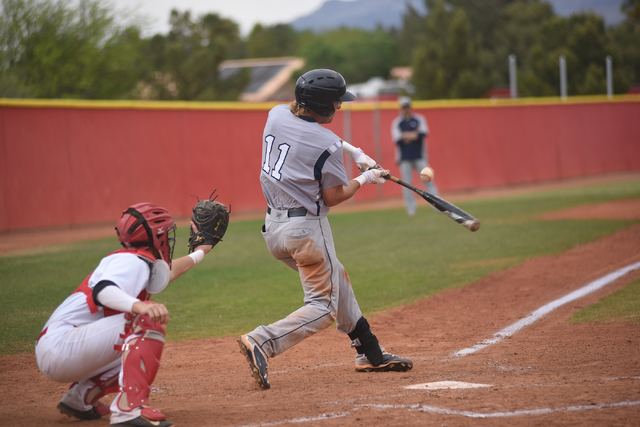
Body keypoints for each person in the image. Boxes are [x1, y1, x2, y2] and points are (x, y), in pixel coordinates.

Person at [237, 68, 413, 390]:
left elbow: (309, 132)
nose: (339, 107)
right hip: (306, 232)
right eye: (336, 102)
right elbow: (334, 195)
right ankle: (262, 340)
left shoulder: (275, 114)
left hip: (274, 229)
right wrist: (366, 178)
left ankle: (369, 352)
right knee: (322, 308)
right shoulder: (327, 145)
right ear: (322, 105)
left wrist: (355, 152)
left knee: (338, 279)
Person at [35, 202, 214, 427]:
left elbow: (166, 273)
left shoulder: (136, 260)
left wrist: (200, 252)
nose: (168, 237)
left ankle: (80, 398)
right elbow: (104, 290)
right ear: (155, 236)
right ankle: (128, 410)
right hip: (62, 346)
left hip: (61, 346)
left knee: (134, 347)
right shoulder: (131, 261)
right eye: (165, 233)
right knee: (147, 321)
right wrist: (140, 307)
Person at [391, 96, 440, 216]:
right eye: (403, 107)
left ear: (410, 107)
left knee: (428, 180)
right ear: (401, 108)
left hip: (419, 155)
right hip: (405, 157)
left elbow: (422, 134)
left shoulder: (419, 119)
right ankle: (411, 209)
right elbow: (398, 139)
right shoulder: (397, 122)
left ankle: (437, 206)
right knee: (407, 184)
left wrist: (407, 135)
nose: (406, 109)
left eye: (407, 106)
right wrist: (413, 135)